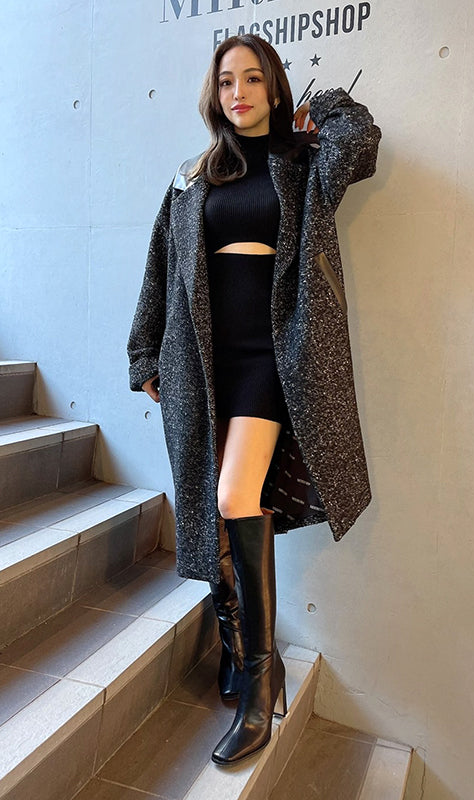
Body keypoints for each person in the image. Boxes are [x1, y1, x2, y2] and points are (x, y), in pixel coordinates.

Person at [127, 33, 381, 766]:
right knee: (216, 504)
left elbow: (360, 138)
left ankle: (261, 682)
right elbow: (160, 268)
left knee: (236, 494)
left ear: (273, 87)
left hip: (275, 356)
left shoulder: (303, 162)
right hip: (202, 361)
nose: (237, 92)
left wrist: (320, 107)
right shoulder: (194, 175)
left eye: (251, 79)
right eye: (226, 81)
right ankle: (238, 648)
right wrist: (143, 352)